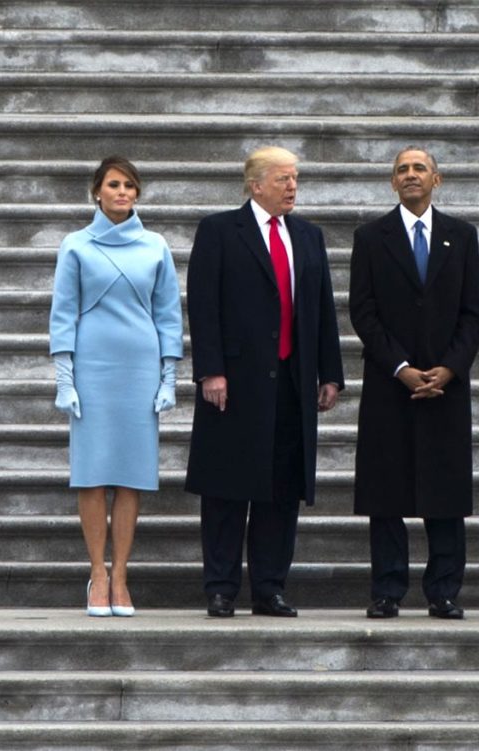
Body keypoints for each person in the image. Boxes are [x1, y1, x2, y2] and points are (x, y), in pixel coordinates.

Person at [185, 146, 344, 618]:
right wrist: (210, 370)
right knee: (227, 489)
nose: (292, 187)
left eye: (295, 179)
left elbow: (322, 308)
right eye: (282, 179)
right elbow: (203, 303)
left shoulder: (308, 236)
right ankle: (221, 587)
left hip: (292, 382)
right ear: (255, 185)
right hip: (234, 383)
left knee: (281, 490)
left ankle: (270, 587)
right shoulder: (219, 231)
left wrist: (329, 372)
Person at [349, 147, 479, 620]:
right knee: (386, 492)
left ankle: (443, 589)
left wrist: (449, 368)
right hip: (391, 385)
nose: (411, 176)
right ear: (392, 182)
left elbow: (472, 315)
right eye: (402, 170)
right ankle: (387, 589)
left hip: (446, 386)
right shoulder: (370, 237)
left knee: (444, 491)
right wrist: (401, 367)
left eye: (419, 169)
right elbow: (362, 312)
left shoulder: (461, 237)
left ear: (437, 179)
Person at [49, 155, 183, 617]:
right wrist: (65, 378)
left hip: (139, 368)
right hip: (93, 366)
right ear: (97, 191)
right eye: (113, 184)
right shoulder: (76, 245)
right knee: (92, 473)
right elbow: (63, 312)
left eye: (129, 185)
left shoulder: (155, 246)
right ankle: (98, 574)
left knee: (131, 476)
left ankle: (121, 574)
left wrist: (170, 376)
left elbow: (168, 314)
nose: (122, 191)